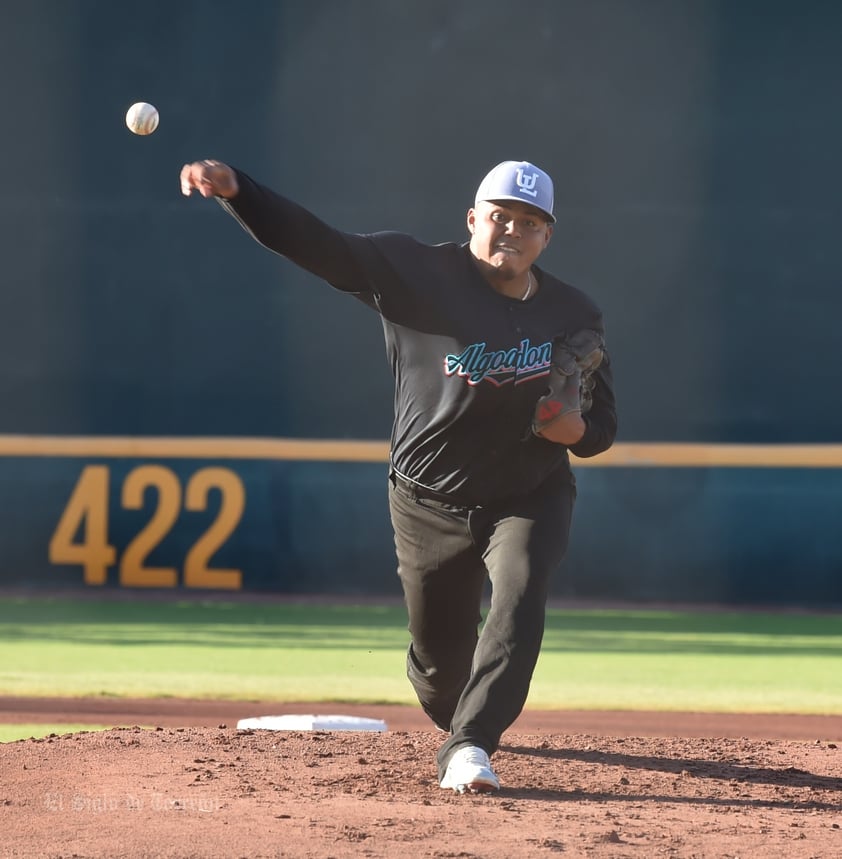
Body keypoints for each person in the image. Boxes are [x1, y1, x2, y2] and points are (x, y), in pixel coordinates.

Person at [180, 157, 617, 793]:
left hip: (529, 493)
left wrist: (572, 432)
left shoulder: (574, 312)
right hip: (426, 503)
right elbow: (318, 246)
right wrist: (241, 193)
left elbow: (601, 428)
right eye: (499, 216)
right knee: (442, 680)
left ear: (547, 237)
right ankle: (456, 713)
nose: (512, 231)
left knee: (521, 591)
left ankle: (469, 746)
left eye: (530, 222)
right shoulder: (417, 273)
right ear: (473, 220)